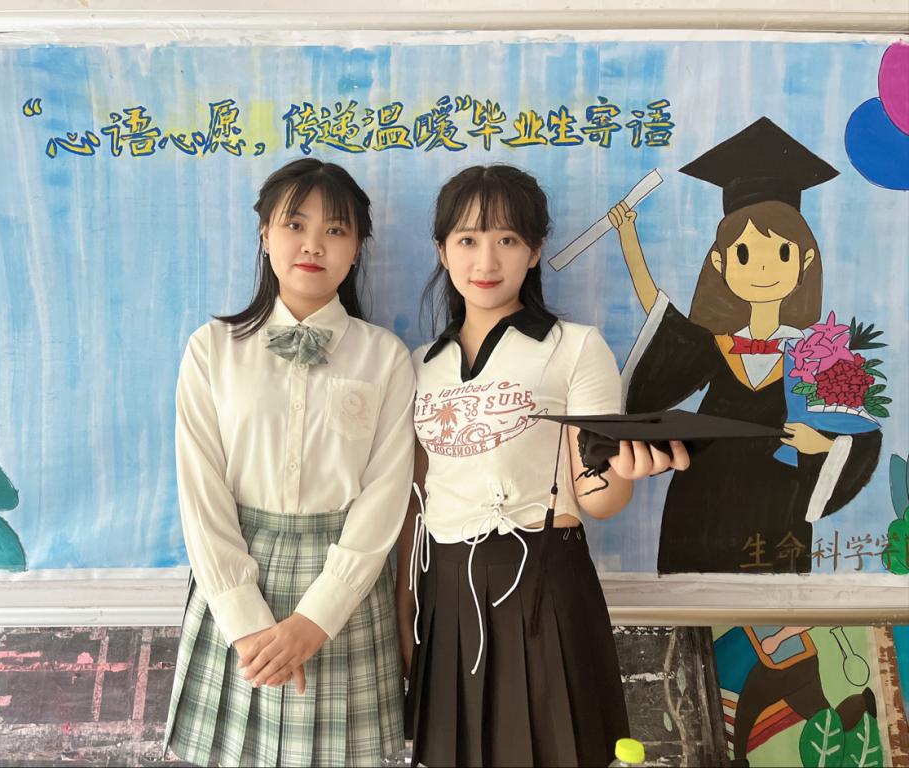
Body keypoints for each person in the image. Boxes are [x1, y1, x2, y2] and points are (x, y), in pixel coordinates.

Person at [399, 164, 690, 767]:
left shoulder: (576, 346)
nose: (486, 260)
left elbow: (598, 497)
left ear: (534, 251)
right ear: (443, 250)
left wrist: (626, 470)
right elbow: (414, 503)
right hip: (445, 589)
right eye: (468, 240)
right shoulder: (419, 363)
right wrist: (406, 613)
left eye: (507, 239)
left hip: (545, 582)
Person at [164, 158, 414, 767]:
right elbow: (200, 491)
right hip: (236, 578)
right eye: (294, 225)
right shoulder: (212, 349)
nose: (313, 244)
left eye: (336, 230)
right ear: (265, 235)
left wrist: (316, 619)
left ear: (357, 248)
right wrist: (244, 620)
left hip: (345, 588)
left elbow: (387, 497)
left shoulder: (386, 357)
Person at [610, 117, 881, 574]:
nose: (762, 268)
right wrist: (629, 239)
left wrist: (820, 444)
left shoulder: (818, 355)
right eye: (744, 254)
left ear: (804, 261)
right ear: (720, 263)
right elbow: (661, 314)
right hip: (703, 495)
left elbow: (858, 434)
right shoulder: (715, 344)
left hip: (779, 501)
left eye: (781, 253)